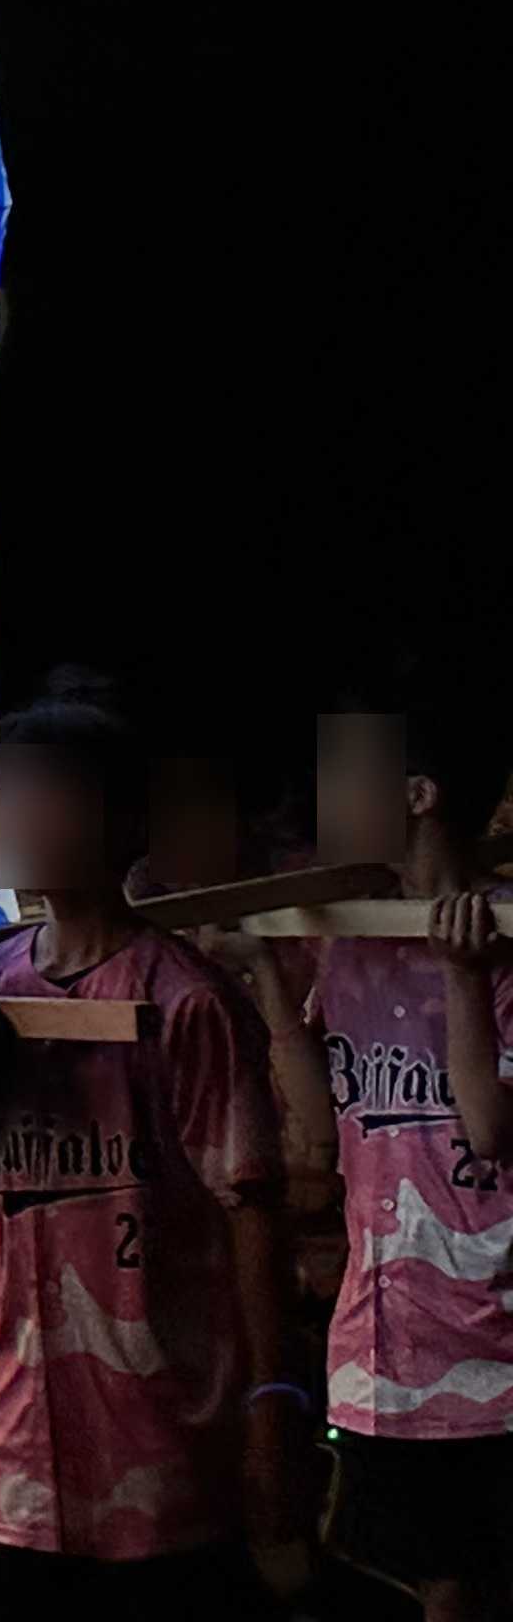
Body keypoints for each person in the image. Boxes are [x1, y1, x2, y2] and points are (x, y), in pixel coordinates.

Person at [0, 680, 294, 1617]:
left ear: (125, 825)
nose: (32, 818)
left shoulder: (187, 999)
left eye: (59, 794)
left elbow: (251, 1205)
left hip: (163, 1430)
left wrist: (272, 1399)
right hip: (14, 1435)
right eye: (16, 796)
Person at [307, 692, 509, 1620]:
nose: (324, 797)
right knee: (433, 1582)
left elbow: (492, 1130)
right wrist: (267, 978)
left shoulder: (504, 935)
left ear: (419, 793)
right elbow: (323, 1122)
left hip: (492, 1341)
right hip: (382, 1340)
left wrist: (465, 978)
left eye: (345, 774)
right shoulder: (348, 938)